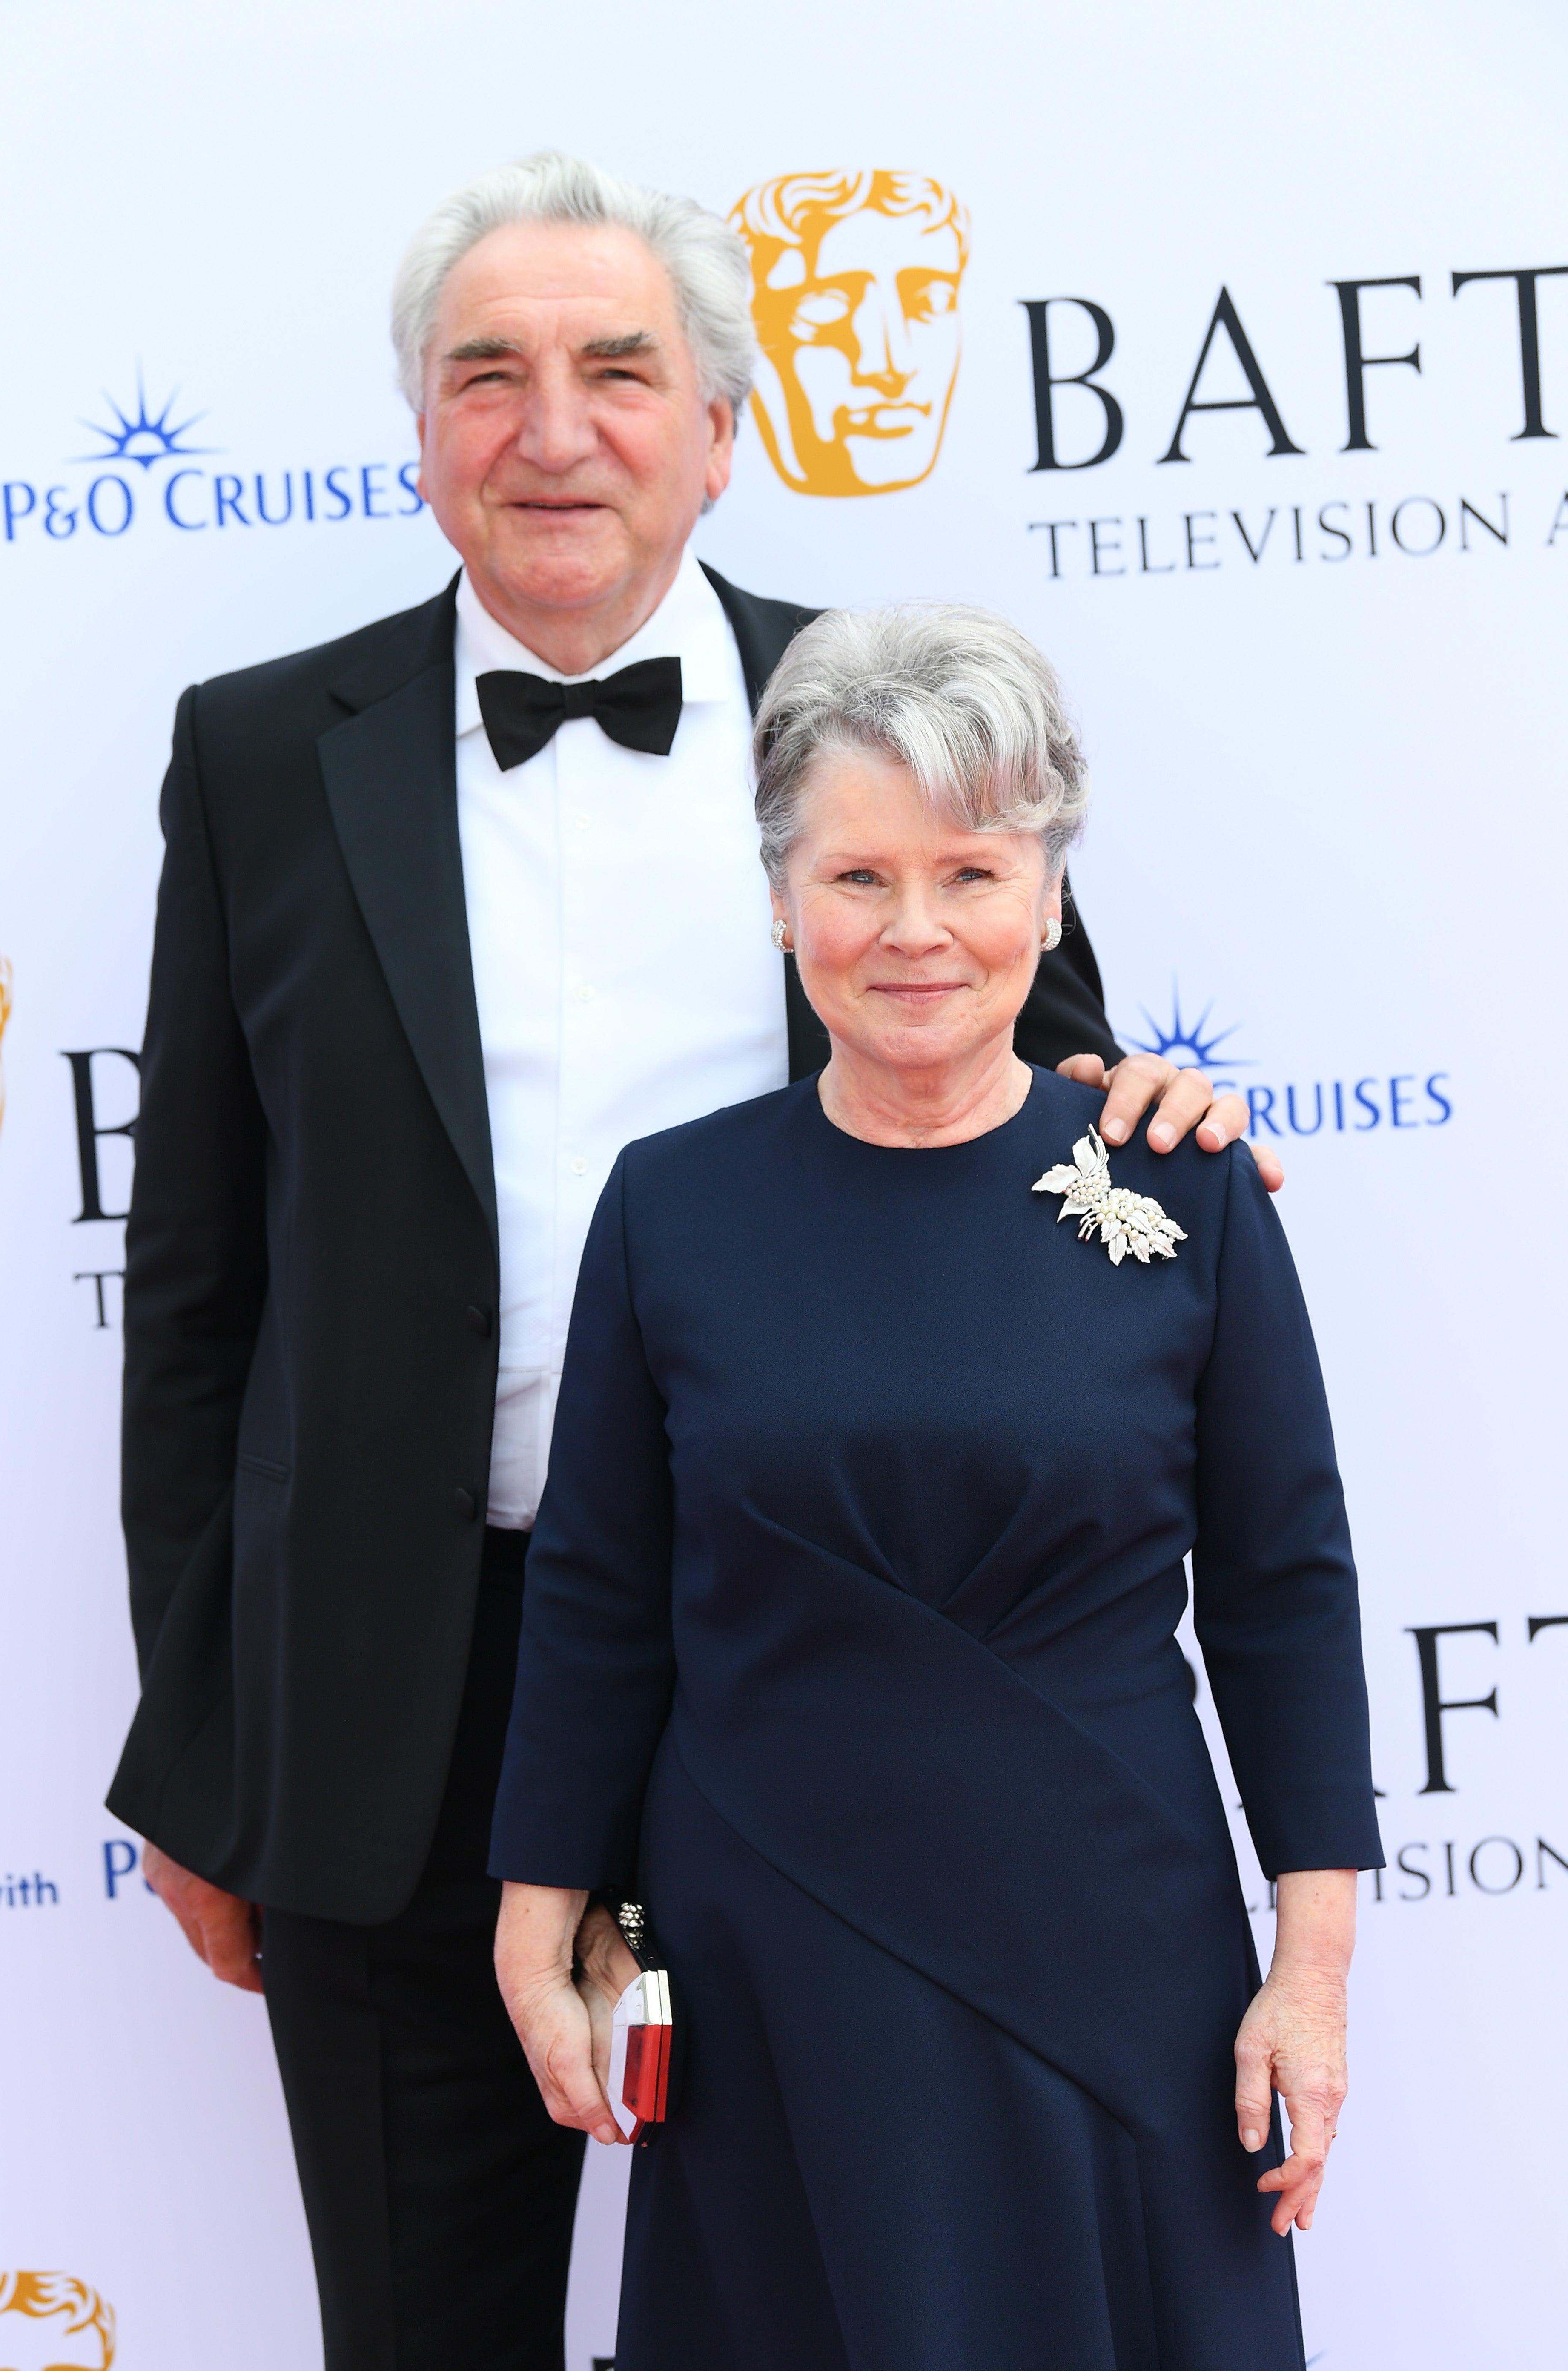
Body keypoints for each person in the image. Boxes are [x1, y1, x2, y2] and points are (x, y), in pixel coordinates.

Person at [108, 154, 1273, 2369]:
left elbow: (1057, 1108)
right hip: (397, 1707)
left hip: (814, 1674)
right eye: (491, 375)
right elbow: (196, 1296)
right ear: (423, 433)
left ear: (721, 431)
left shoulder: (878, 715)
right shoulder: (262, 759)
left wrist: (1167, 1114)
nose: (556, 430)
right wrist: (202, 1739)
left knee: (850, 2309)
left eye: (619, 369)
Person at [490, 603, 1382, 2371]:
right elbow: (597, 1586)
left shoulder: (1183, 1192)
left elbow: (1285, 1588)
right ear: (775, 896)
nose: (913, 933)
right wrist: (537, 1923)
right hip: (767, 1948)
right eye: (855, 877)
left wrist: (1311, 1970)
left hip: (1111, 1940)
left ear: (1047, 899)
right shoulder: (668, 1211)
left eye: (969, 874)